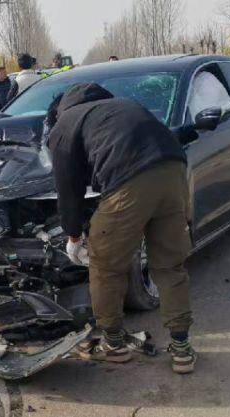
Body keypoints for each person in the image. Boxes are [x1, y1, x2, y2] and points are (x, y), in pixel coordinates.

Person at [45, 83, 196, 374]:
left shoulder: (66, 122)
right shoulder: (123, 106)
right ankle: (182, 348)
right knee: (170, 266)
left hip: (130, 182)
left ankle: (113, 345)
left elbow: (67, 189)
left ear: (58, 112)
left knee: (105, 264)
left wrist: (74, 234)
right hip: (174, 172)